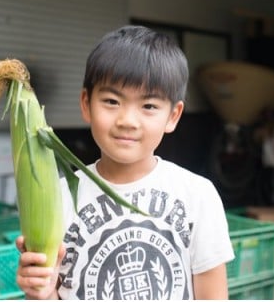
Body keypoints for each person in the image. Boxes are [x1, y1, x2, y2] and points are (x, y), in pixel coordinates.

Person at [15, 25, 235, 300]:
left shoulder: (197, 195)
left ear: (173, 116)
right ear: (86, 103)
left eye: (149, 106)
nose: (128, 121)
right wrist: (41, 292)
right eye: (111, 101)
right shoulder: (57, 199)